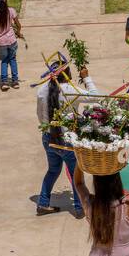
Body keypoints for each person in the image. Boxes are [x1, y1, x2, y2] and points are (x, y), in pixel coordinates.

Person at [36, 54, 99, 217]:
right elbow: (96, 96)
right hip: (67, 140)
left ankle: (43, 202)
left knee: (53, 170)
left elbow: (39, 115)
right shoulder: (71, 90)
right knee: (75, 174)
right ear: (68, 75)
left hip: (48, 137)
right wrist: (87, 78)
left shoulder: (41, 91)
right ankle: (79, 208)